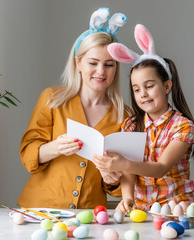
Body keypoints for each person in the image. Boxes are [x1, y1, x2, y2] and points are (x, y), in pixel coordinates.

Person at [17, 8, 130, 209]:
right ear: (78, 63)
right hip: (40, 211)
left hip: (90, 215)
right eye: (93, 63)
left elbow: (122, 186)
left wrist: (111, 177)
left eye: (109, 65)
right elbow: (28, 156)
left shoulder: (125, 116)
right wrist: (55, 147)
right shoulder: (52, 99)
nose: (100, 71)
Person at [93, 24, 194, 213]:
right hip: (141, 210)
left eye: (149, 86)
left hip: (177, 207)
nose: (143, 94)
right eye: (136, 89)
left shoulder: (183, 126)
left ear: (167, 86)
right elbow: (128, 171)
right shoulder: (131, 124)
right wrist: (127, 198)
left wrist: (122, 163)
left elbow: (160, 168)